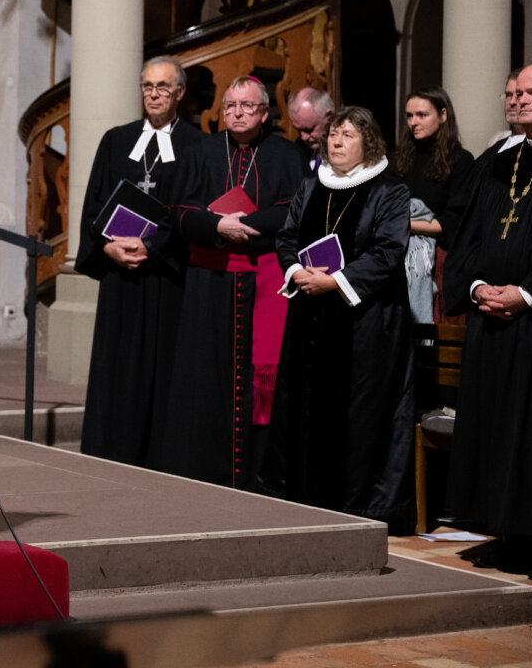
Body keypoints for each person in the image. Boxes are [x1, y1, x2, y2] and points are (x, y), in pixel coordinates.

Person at [261, 107, 414, 533]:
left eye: (347, 135)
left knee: (359, 415)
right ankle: (303, 498)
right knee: (305, 407)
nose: (336, 142)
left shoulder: (389, 191)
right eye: (332, 135)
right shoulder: (312, 184)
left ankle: (359, 508)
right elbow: (288, 236)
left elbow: (388, 252)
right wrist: (296, 272)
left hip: (364, 322)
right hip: (310, 315)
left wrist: (337, 281)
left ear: (369, 141)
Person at [153, 75, 308, 489]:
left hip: (265, 281)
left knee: (262, 380)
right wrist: (218, 225)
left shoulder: (285, 154)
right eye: (230, 106)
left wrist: (247, 226)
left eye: (246, 106)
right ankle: (204, 469)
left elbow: (295, 209)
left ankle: (261, 475)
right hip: (210, 282)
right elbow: (179, 211)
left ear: (263, 113)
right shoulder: (201, 151)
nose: (237, 113)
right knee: (207, 375)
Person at [74, 56, 203, 467]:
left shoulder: (197, 146)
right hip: (120, 277)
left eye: (163, 86)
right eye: (148, 86)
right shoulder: (116, 140)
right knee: (117, 364)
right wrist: (105, 246)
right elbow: (93, 204)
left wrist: (154, 247)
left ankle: (158, 456)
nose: (154, 94)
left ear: (180, 93)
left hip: (165, 278)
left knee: (161, 367)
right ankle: (109, 450)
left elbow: (193, 211)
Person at [443, 61, 532, 581]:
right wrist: (478, 285)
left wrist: (527, 293)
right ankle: (511, 533)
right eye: (511, 93)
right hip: (492, 318)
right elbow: (469, 233)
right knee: (500, 428)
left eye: (530, 92)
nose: (518, 100)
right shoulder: (496, 161)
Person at [389, 87, 473, 323]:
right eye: (409, 115)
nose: (413, 122)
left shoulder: (460, 160)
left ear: (443, 115)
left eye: (422, 115)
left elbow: (453, 222)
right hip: (396, 255)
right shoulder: (396, 160)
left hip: (439, 261)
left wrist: (404, 224)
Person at [287, 88, 333, 169]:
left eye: (308, 130)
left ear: (329, 117)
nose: (304, 137)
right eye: (298, 130)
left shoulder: (348, 152)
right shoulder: (298, 149)